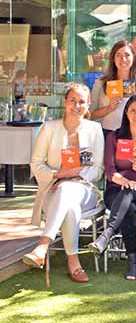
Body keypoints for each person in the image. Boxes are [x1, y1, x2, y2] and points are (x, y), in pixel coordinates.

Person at [23, 84, 105, 283]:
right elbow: (35, 163)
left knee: (68, 188)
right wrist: (58, 174)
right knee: (70, 208)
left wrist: (75, 175)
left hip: (85, 189)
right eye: (72, 101)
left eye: (81, 102)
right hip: (53, 188)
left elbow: (99, 168)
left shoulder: (95, 129)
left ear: (88, 105)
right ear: (65, 102)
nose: (77, 105)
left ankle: (43, 244)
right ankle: (73, 262)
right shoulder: (49, 128)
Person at [88, 95, 136, 281]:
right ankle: (132, 261)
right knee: (128, 203)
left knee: (130, 195)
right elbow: (110, 170)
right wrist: (122, 180)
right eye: (133, 110)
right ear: (126, 113)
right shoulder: (115, 136)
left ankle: (109, 234)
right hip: (117, 189)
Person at [90, 40, 136, 134]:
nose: (123, 59)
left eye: (127, 55)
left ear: (133, 58)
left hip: (134, 135)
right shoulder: (101, 83)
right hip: (108, 133)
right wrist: (109, 108)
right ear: (113, 59)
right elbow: (90, 115)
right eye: (118, 55)